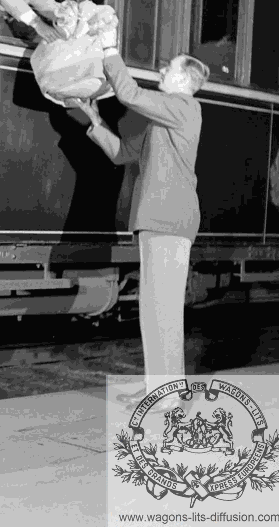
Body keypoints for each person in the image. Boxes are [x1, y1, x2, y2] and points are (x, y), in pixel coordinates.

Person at [71, 38, 210, 408]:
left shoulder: (184, 108)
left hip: (168, 220)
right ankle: (159, 390)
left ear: (185, 79)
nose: (163, 71)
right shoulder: (166, 117)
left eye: (170, 68)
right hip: (157, 222)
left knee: (161, 312)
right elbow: (122, 154)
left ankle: (166, 397)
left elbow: (130, 93)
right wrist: (96, 122)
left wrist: (108, 50)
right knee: (154, 311)